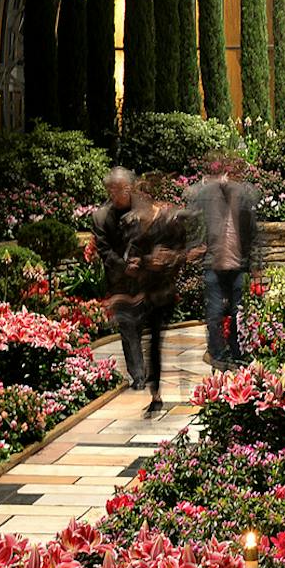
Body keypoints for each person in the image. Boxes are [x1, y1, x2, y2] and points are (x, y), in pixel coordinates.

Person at [92, 168, 169, 410]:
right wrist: (126, 266)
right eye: (113, 190)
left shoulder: (145, 209)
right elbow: (105, 251)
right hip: (120, 282)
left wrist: (146, 261)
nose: (118, 194)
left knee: (149, 328)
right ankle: (138, 376)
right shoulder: (101, 217)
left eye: (123, 189)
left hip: (147, 281)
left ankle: (149, 374)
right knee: (128, 327)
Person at [185, 156, 261, 370]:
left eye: (234, 175)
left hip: (239, 266)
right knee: (215, 312)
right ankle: (218, 355)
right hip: (213, 264)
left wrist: (256, 266)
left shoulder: (245, 198)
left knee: (239, 313)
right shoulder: (208, 195)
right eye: (226, 174)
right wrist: (196, 246)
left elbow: (254, 234)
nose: (229, 179)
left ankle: (238, 353)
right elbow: (191, 208)